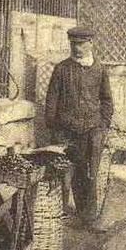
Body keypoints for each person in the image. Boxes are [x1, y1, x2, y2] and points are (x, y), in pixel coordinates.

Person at [45, 25, 114, 230]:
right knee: (63, 174)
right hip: (65, 131)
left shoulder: (100, 69)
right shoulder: (61, 69)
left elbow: (107, 100)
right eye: (74, 44)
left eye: (81, 44)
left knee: (89, 173)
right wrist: (53, 127)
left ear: (91, 44)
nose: (77, 49)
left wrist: (103, 125)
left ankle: (88, 218)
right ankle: (60, 215)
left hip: (92, 130)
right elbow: (52, 100)